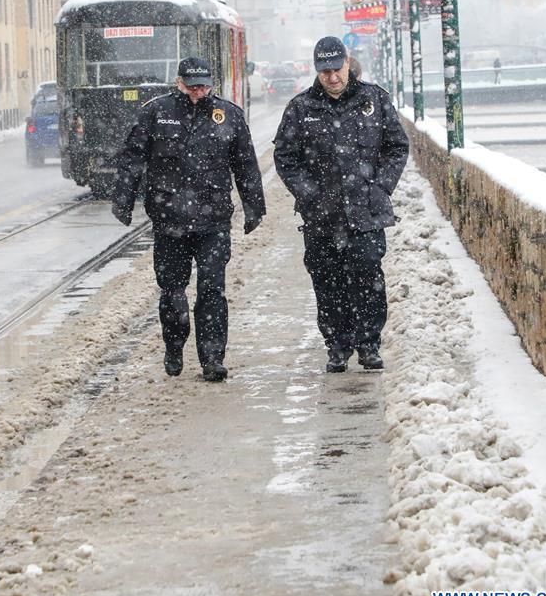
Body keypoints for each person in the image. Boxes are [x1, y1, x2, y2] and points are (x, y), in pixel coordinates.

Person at [111, 57, 266, 381]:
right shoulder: (156, 113)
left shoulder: (228, 115)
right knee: (172, 293)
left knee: (212, 291)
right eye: (192, 86)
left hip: (214, 221)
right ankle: (174, 346)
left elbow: (246, 165)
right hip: (169, 221)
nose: (198, 92)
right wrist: (123, 200)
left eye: (204, 86)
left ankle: (212, 358)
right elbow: (133, 159)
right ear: (179, 83)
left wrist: (254, 207)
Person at [273, 36, 409, 374]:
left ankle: (368, 344)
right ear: (316, 71)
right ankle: (337, 345)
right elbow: (285, 157)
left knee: (368, 277)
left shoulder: (374, 100)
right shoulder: (301, 108)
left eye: (337, 69)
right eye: (325, 72)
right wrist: (309, 193)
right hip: (321, 216)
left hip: (366, 212)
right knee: (327, 281)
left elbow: (396, 146)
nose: (332, 77)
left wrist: (380, 187)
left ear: (348, 63)